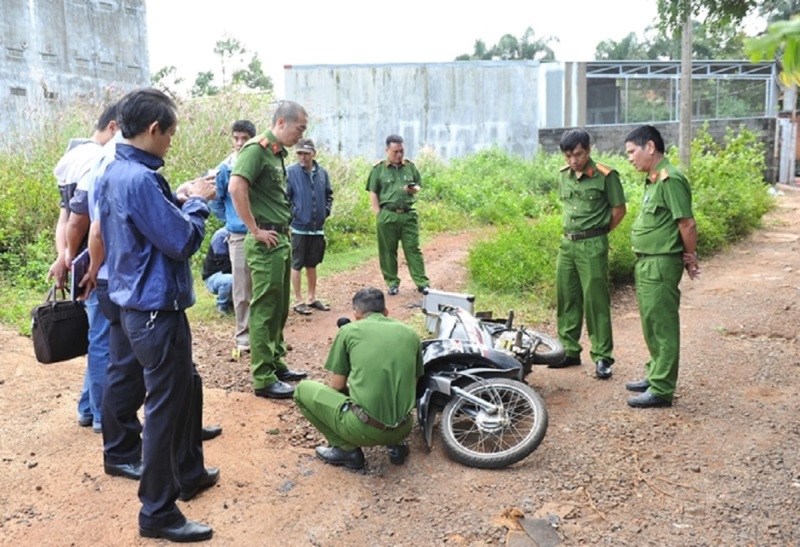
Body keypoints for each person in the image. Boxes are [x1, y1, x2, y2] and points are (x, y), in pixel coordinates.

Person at [95, 87, 218, 542]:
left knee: (185, 387)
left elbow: (146, 226)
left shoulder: (116, 169)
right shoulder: (141, 180)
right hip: (154, 309)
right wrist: (199, 202)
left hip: (133, 301)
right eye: (170, 133)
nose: (171, 142)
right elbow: (182, 242)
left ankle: (189, 472)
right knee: (165, 406)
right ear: (152, 130)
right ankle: (158, 512)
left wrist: (179, 196)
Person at [230, 101, 309, 399]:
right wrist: (254, 229)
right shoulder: (256, 149)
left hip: (280, 238)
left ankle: (275, 362)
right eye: (299, 128)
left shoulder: (276, 154)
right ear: (281, 123)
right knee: (264, 307)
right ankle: (263, 377)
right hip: (265, 239)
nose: (300, 135)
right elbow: (236, 187)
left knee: (280, 306)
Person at [294, 287, 423, 470]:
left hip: (363, 429)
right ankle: (397, 446)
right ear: (386, 312)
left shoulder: (349, 331)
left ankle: (347, 451)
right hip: (404, 427)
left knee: (302, 390)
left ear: (356, 315)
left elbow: (337, 386)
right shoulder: (411, 334)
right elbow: (414, 383)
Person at [47, 103, 118, 433]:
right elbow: (81, 221)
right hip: (93, 262)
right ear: (115, 127)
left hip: (78, 260)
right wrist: (77, 258)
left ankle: (88, 408)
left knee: (97, 337)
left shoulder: (72, 157)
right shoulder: (97, 159)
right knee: (103, 340)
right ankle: (104, 415)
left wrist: (63, 257)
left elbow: (63, 217)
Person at [623, 125, 700, 408]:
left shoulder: (671, 179)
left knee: (663, 325)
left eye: (632, 152)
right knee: (650, 322)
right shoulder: (654, 180)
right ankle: (655, 374)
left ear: (650, 147)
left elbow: (687, 223)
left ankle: (662, 388)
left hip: (661, 263)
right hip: (647, 262)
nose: (630, 158)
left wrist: (690, 257)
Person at [552, 130, 627, 380]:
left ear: (589, 150)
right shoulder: (564, 176)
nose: (573, 160)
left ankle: (602, 356)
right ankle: (569, 351)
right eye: (568, 156)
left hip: (592, 244)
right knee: (567, 297)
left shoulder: (606, 176)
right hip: (567, 244)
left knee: (595, 301)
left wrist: (601, 231)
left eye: (578, 154)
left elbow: (619, 209)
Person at [208, 120, 257, 356]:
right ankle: (243, 336)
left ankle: (264, 335)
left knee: (264, 286)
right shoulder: (225, 168)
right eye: (235, 138)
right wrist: (232, 220)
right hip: (238, 234)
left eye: (244, 138)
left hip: (263, 231)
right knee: (241, 286)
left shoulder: (260, 163)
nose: (239, 143)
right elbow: (215, 200)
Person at [367, 134, 430, 296]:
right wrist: (378, 214)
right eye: (395, 152)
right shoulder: (379, 169)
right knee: (388, 250)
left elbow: (418, 186)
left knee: (413, 249)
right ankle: (392, 282)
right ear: (387, 150)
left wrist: (413, 189)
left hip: (408, 215)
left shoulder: (410, 167)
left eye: (401, 151)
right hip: (387, 214)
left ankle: (422, 283)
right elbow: (373, 192)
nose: (399, 155)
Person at [286, 138, 333, 315]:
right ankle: (298, 300)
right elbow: (286, 198)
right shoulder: (291, 172)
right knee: (296, 263)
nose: (303, 157)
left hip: (317, 227)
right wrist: (293, 215)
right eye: (299, 153)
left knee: (312, 263)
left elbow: (329, 195)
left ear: (314, 153)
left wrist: (325, 211)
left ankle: (312, 298)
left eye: (306, 153)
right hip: (299, 226)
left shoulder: (322, 173)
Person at [202, 227, 233, 314]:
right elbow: (223, 265)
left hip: (230, 272)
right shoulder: (221, 236)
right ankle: (222, 306)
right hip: (214, 275)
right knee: (230, 280)